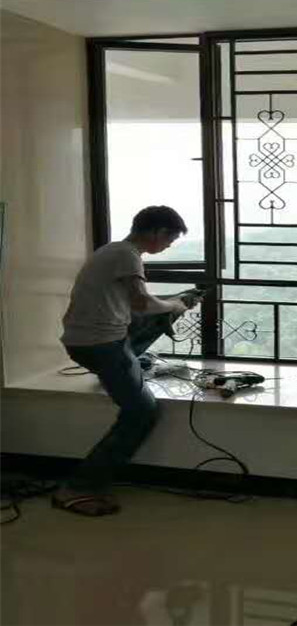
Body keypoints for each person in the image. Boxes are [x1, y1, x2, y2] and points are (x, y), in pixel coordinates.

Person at [54, 206, 196, 517]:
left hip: (90, 341)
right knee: (142, 412)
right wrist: (173, 305)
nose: (169, 246)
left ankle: (129, 365)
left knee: (167, 311)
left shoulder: (113, 251)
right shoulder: (127, 255)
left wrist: (175, 304)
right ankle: (79, 487)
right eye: (170, 239)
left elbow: (135, 306)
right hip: (102, 345)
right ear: (157, 231)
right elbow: (141, 303)